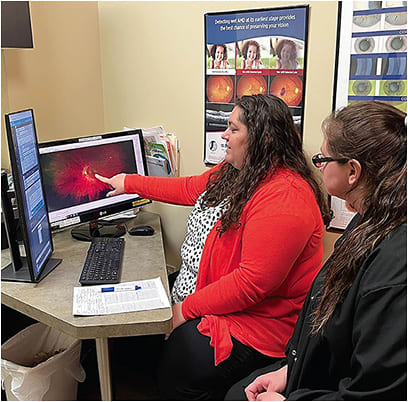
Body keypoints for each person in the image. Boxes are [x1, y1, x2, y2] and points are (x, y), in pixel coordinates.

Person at [95, 94, 330, 400]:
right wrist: (129, 182)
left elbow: (251, 284)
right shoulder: (240, 170)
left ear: (263, 138)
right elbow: (189, 188)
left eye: (233, 129)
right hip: (225, 297)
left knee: (182, 359)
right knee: (136, 330)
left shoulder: (285, 197)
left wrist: (185, 309)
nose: (224, 135)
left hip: (261, 326)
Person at [225, 101, 407, 401]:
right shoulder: (370, 217)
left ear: (352, 171)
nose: (318, 165)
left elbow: (375, 394)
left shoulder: (395, 266)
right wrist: (289, 371)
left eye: (324, 158)